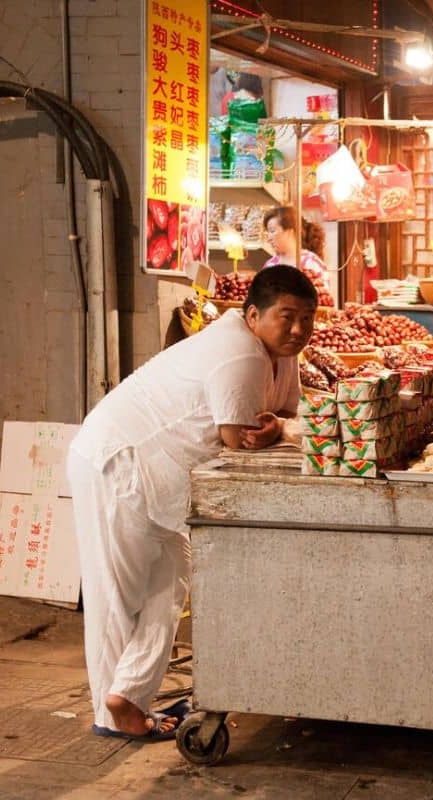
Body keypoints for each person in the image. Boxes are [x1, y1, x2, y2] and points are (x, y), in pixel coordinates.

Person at [66, 266, 318, 741]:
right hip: (115, 464)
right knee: (115, 596)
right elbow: (239, 438)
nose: (298, 330)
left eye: (307, 318)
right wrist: (278, 431)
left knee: (173, 581)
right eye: (287, 317)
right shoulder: (239, 353)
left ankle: (127, 695)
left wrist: (282, 428)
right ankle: (109, 712)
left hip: (161, 474)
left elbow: (283, 415)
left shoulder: (281, 354)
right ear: (253, 315)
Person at [262, 206, 333, 301]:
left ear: (290, 232)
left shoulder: (311, 263)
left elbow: (324, 300)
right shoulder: (270, 265)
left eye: (272, 231)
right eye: (268, 232)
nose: (269, 237)